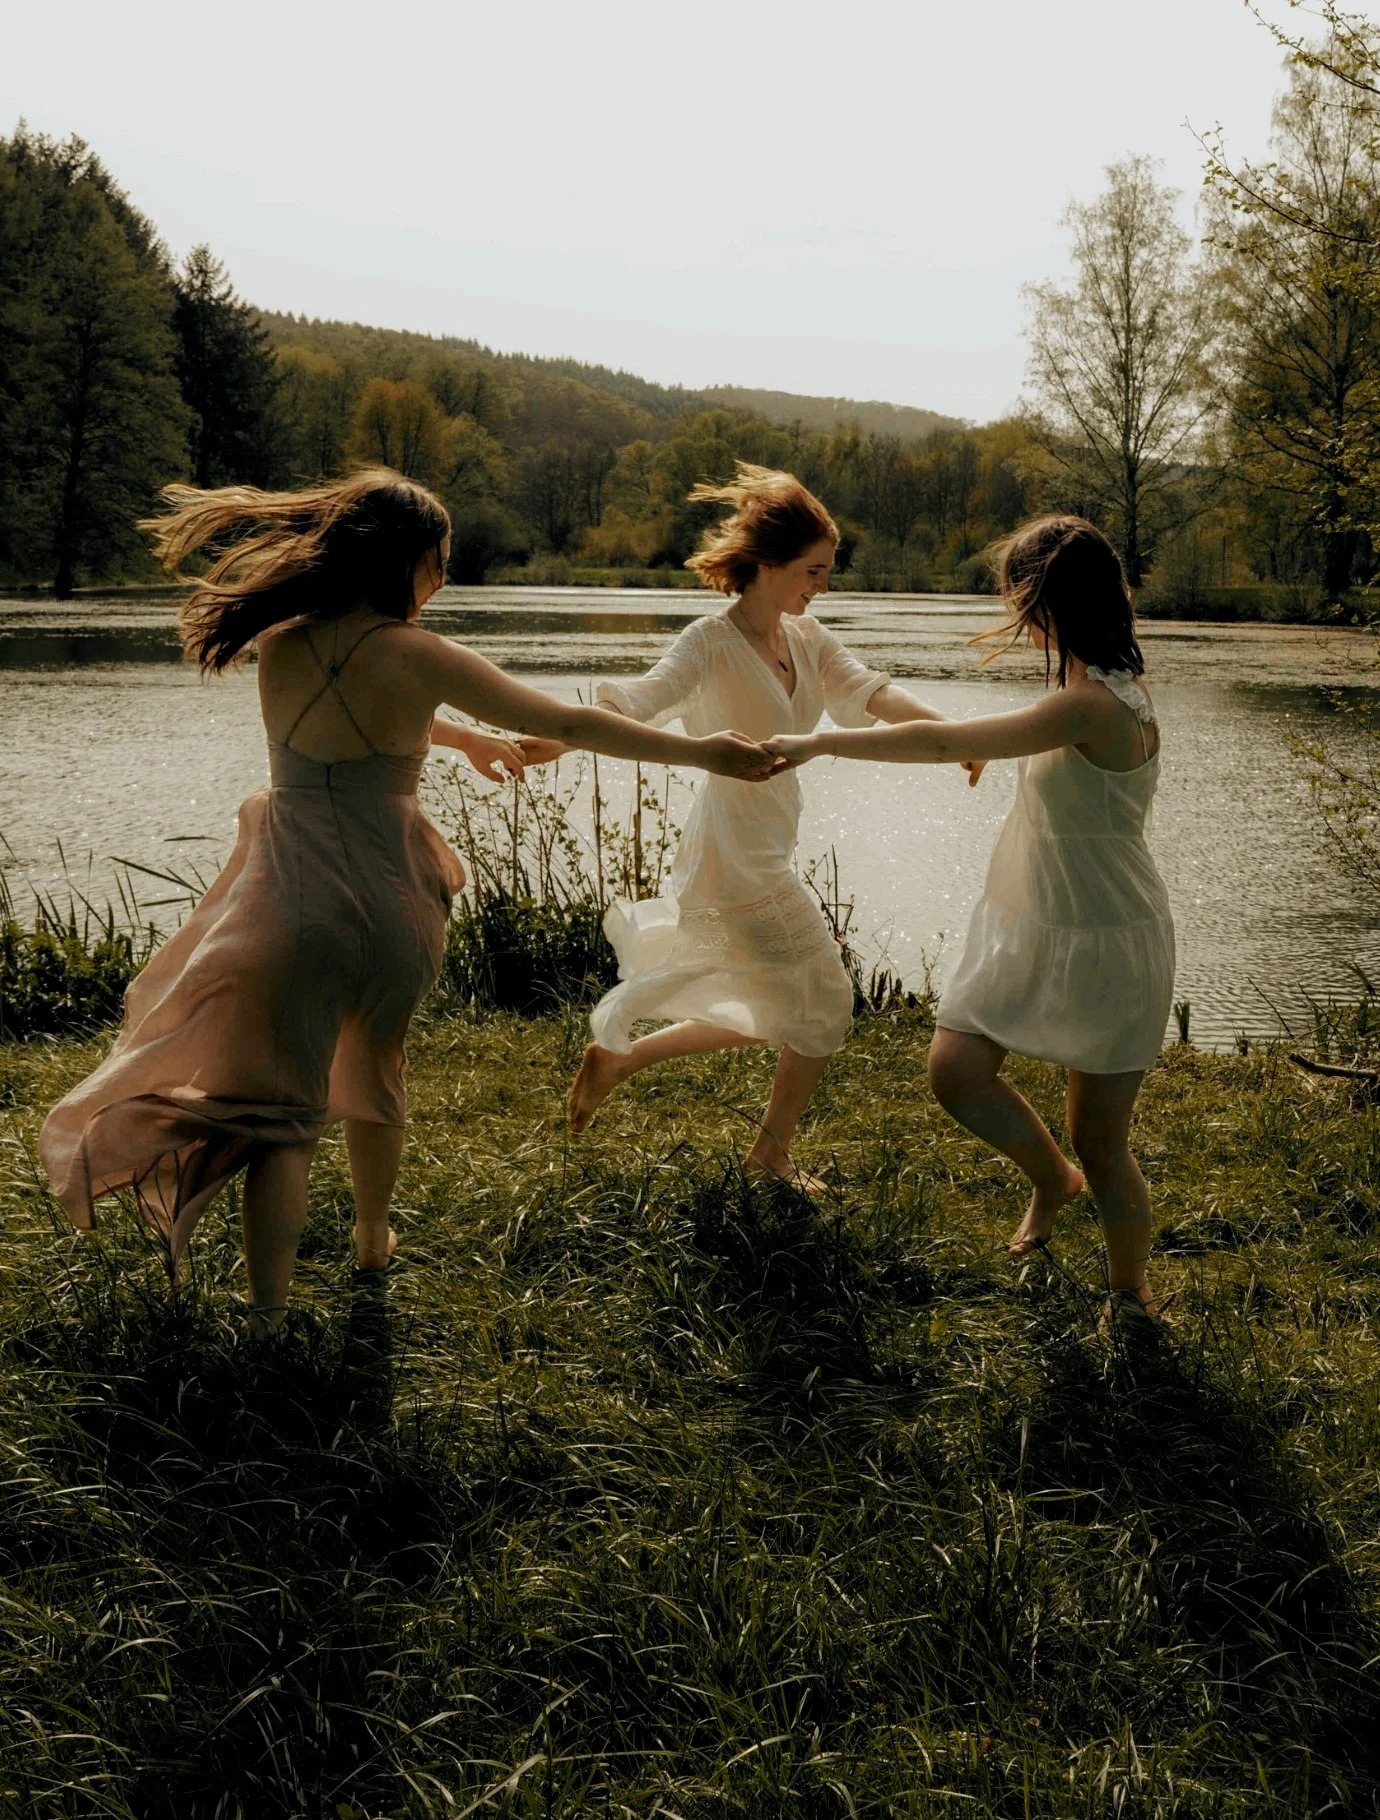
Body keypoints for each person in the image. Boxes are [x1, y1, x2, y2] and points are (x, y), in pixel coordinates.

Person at [40, 469, 777, 1333]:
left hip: (288, 901)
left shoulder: (280, 642)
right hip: (390, 903)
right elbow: (568, 725)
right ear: (410, 560)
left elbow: (346, 714)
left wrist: (460, 738)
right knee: (375, 1065)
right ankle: (371, 1236)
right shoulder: (422, 656)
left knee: (284, 1120)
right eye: (442, 559)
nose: (445, 576)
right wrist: (706, 755)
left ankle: (268, 1315)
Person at [766, 515, 1175, 1324]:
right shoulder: (1084, 687)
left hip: (1108, 939)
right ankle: (1050, 1181)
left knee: (1102, 1139)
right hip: (1037, 920)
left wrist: (818, 742)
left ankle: (1131, 1297)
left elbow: (939, 738)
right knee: (956, 1069)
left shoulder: (1095, 703)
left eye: (1018, 603)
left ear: (1043, 604)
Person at [566, 463, 965, 1191]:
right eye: (814, 570)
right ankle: (768, 1154)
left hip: (768, 841)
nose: (823, 584)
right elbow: (639, 704)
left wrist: (952, 732)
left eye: (827, 570)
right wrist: (555, 736)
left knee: (787, 1003)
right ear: (770, 564)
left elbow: (871, 692)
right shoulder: (709, 643)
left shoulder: (805, 639)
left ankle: (625, 1060)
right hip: (734, 853)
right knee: (826, 1003)